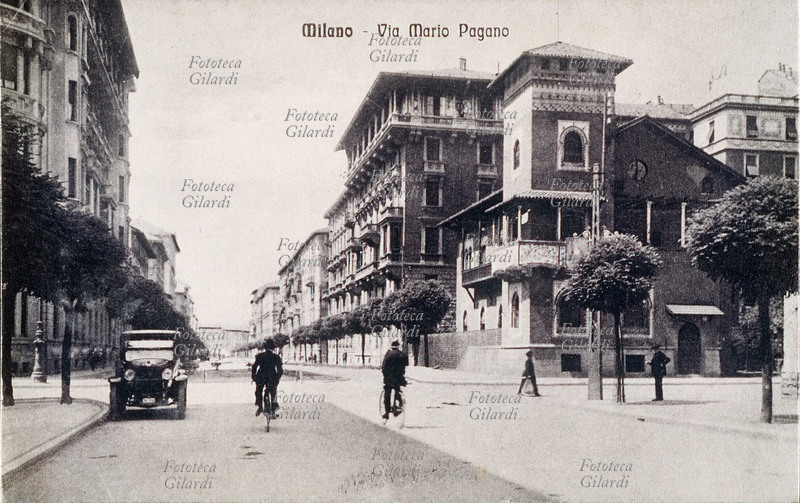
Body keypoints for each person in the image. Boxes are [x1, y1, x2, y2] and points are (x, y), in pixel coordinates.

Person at [252, 339, 283, 417]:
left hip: (261, 377)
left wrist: (254, 376)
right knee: (273, 391)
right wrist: (277, 378)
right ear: (273, 348)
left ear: (265, 347)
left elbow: (254, 367)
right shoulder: (276, 357)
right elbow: (280, 370)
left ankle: (260, 407)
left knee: (258, 391)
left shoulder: (259, 356)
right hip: (272, 377)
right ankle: (274, 408)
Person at [381, 340, 408, 419]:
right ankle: (399, 405)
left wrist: (385, 376)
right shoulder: (403, 354)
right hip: (399, 377)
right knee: (397, 389)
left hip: (389, 378)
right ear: (398, 346)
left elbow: (384, 367)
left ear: (391, 346)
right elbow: (405, 365)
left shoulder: (388, 354)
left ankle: (387, 412)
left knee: (387, 393)